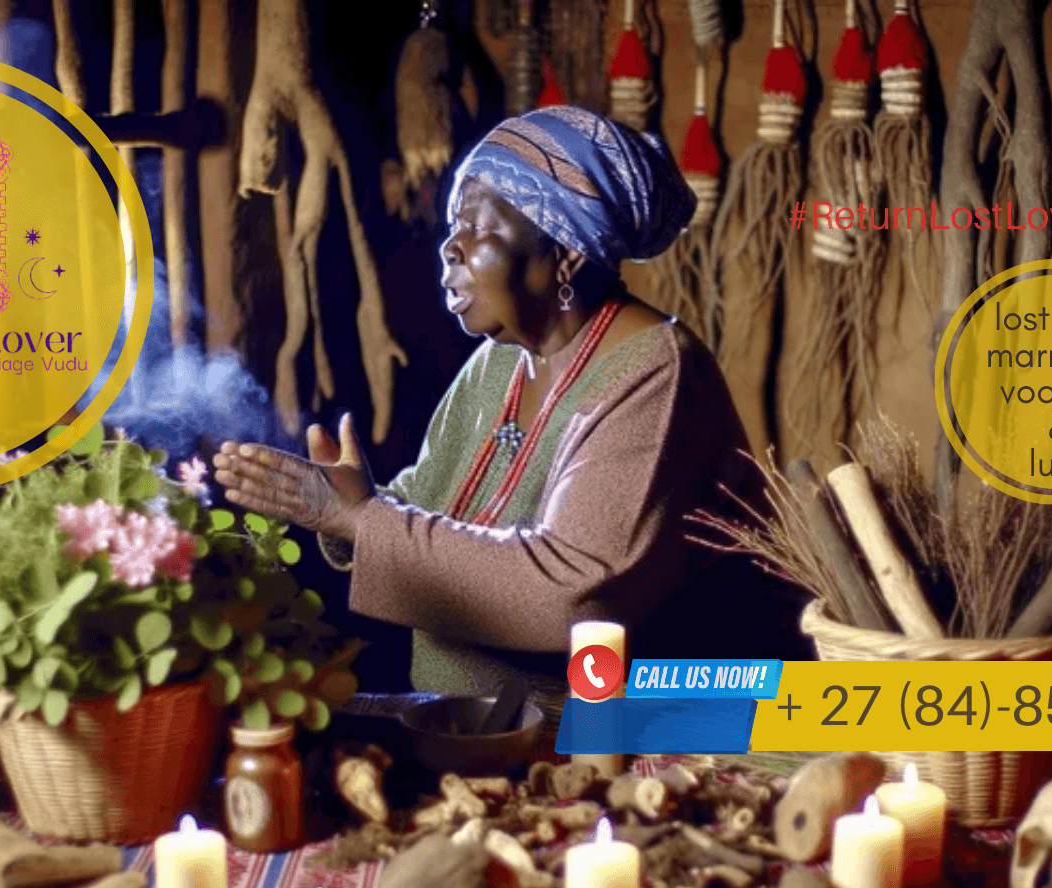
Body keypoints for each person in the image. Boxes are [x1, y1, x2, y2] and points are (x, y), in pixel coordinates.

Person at [213, 106, 805, 705]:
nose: (451, 247)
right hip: (476, 723)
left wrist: (363, 520)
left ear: (566, 255)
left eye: (481, 229)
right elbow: (427, 512)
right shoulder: (502, 361)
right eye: (453, 226)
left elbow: (573, 595)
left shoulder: (656, 375)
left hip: (630, 741)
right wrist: (348, 511)